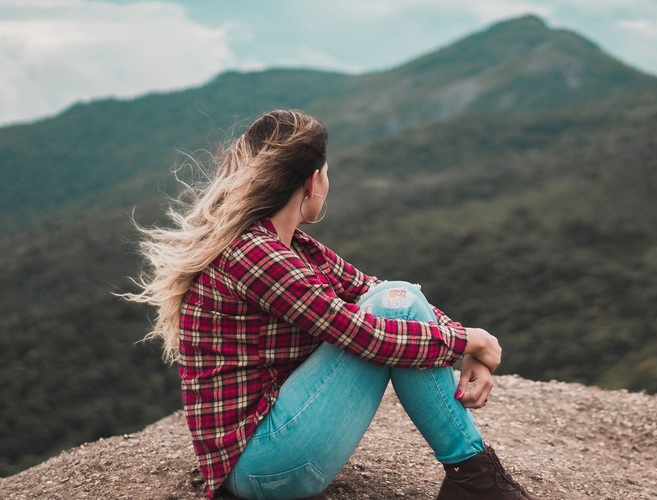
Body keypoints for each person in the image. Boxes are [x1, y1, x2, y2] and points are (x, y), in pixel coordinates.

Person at [127, 109, 541, 499]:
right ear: (312, 182)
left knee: (396, 294)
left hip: (270, 446)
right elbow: (363, 334)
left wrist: (465, 342)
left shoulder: (289, 247)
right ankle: (477, 480)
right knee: (387, 312)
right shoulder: (255, 255)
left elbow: (384, 292)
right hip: (260, 464)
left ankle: (474, 478)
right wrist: (468, 341)